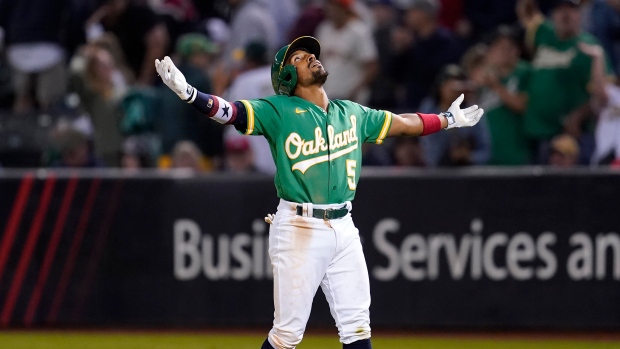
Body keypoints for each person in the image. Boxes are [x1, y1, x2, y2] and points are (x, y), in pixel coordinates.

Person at [154, 36, 483, 349]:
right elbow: (231, 112)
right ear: (286, 75)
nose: (311, 57)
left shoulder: (350, 113)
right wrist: (189, 93)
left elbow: (402, 122)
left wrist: (447, 119)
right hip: (299, 227)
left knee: (357, 325)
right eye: (299, 58)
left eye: (311, 53)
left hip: (344, 225)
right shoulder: (279, 110)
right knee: (287, 334)